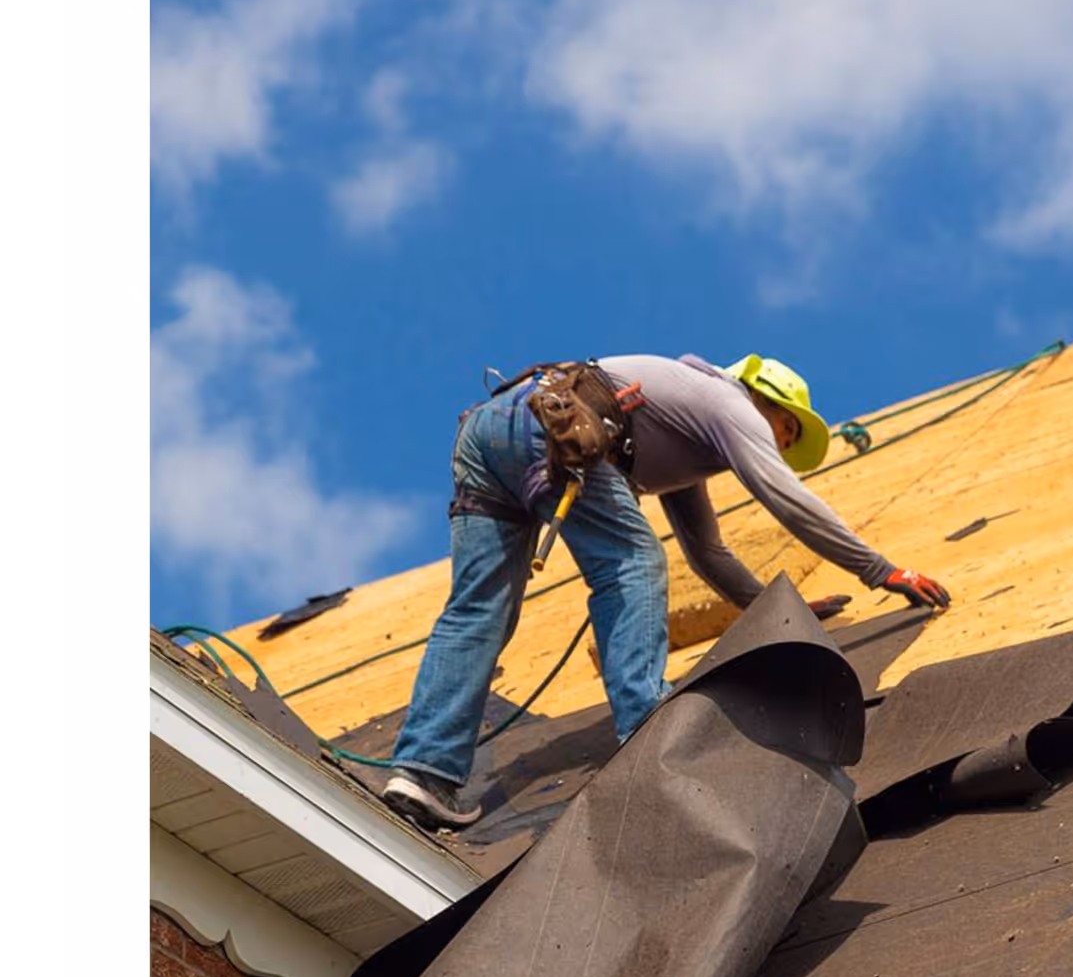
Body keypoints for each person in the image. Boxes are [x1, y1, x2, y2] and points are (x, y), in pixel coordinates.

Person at [382, 353, 951, 831]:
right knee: (632, 562)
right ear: (768, 404)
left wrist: (765, 606)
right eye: (786, 432)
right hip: (552, 427)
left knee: (478, 612)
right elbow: (789, 501)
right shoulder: (729, 405)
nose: (778, 445)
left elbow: (708, 551)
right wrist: (882, 571)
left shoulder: (683, 427)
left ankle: (422, 775)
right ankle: (644, 726)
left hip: (491, 428)